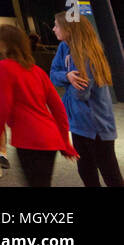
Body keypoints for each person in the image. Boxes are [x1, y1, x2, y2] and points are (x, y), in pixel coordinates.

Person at [0, 24, 77, 187]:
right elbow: (58, 108)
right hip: (50, 138)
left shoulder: (2, 67)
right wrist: (65, 142)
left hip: (29, 139)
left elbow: (2, 106)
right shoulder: (37, 71)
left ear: (3, 43)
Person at [50, 12, 121, 187]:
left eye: (57, 25)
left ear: (69, 28)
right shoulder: (64, 47)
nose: (53, 29)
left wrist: (66, 85)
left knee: (109, 172)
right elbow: (52, 74)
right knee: (86, 168)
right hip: (78, 123)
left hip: (97, 125)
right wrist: (67, 76)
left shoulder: (86, 54)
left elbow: (81, 93)